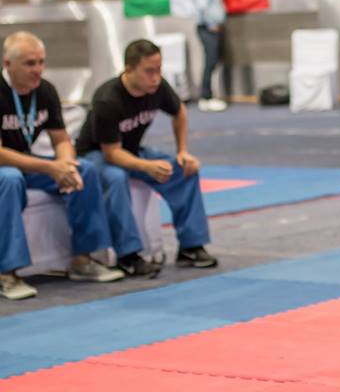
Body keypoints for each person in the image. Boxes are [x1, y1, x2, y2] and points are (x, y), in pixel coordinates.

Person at [0, 32, 125, 300]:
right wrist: (50, 168)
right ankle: (6, 273)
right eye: (30, 63)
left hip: (24, 162)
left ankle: (83, 260)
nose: (38, 70)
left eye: (41, 62)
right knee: (10, 178)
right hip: (5, 166)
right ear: (8, 64)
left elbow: (61, 139)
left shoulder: (44, 90)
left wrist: (66, 164)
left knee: (84, 170)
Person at [77, 39, 218, 272]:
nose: (155, 77)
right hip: (95, 154)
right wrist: (146, 166)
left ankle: (191, 246)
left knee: (185, 169)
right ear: (129, 70)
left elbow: (179, 111)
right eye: (149, 71)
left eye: (159, 70)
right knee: (115, 178)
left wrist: (182, 151)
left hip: (132, 150)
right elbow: (111, 154)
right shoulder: (108, 99)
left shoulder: (158, 87)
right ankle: (128, 255)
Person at [191, 0, 228, 112]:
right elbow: (202, 4)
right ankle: (205, 97)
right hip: (207, 27)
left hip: (211, 26)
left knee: (213, 60)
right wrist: (211, 23)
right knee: (210, 60)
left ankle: (208, 96)